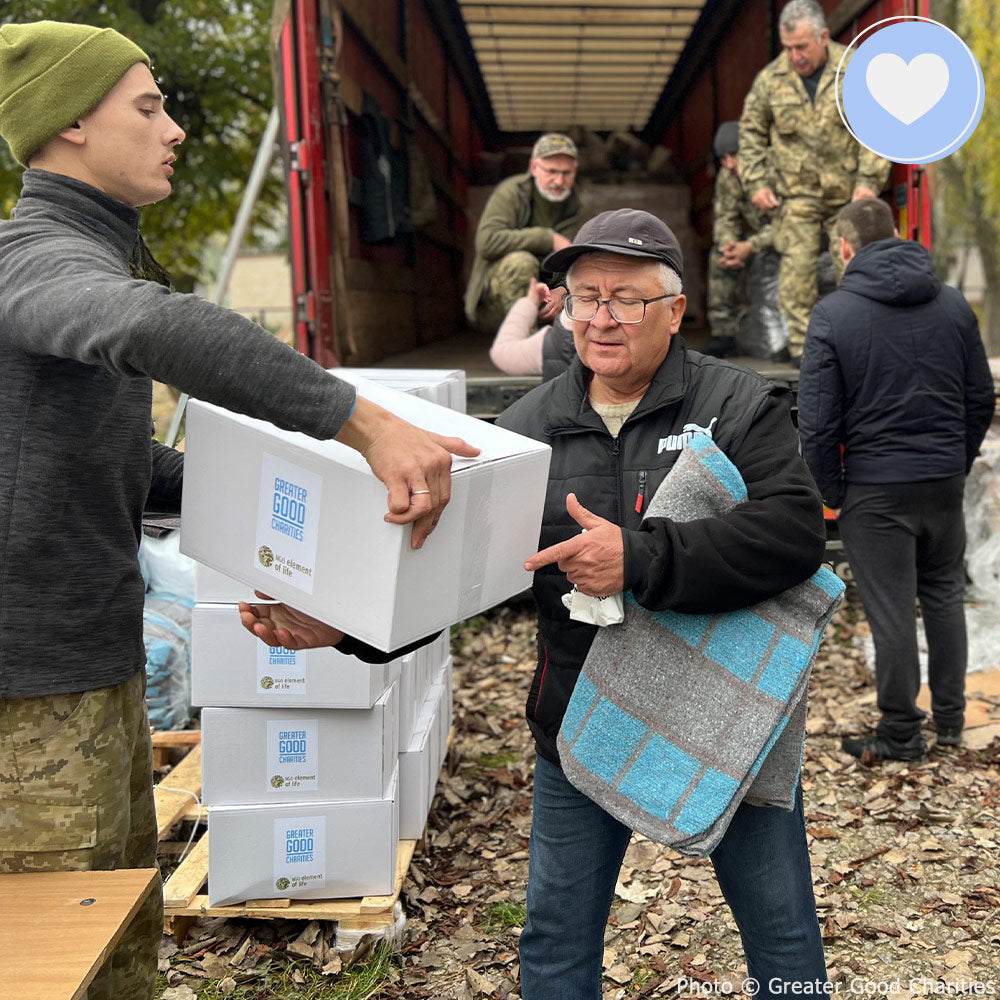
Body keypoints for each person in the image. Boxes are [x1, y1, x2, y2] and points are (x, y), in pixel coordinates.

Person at [0, 21, 477, 1000]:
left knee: (120, 936)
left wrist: (294, 530)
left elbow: (122, 467)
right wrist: (364, 427)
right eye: (148, 107)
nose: (172, 129)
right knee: (65, 961)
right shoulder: (36, 259)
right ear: (71, 125)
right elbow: (157, 328)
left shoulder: (81, 257)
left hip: (85, 671)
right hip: (33, 692)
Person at [498, 209, 828, 998]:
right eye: (585, 297)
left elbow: (794, 533)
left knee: (781, 930)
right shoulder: (526, 429)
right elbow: (453, 575)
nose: (601, 318)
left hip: (724, 720)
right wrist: (344, 630)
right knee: (555, 936)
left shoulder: (736, 405)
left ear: (675, 311)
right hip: (579, 718)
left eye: (626, 299)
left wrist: (643, 557)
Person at [797, 199, 996, 763]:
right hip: (941, 481)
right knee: (944, 597)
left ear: (845, 247)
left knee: (892, 611)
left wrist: (834, 491)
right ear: (897, 234)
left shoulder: (833, 314)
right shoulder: (953, 305)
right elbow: (981, 397)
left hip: (875, 487)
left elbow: (817, 423)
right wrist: (955, 462)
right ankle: (951, 721)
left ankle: (902, 733)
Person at [738, 0, 891, 361]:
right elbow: (750, 133)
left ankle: (861, 347)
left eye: (802, 47)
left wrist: (869, 180)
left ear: (823, 37)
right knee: (797, 276)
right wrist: (756, 183)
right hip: (797, 195)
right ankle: (807, 353)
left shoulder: (854, 70)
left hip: (848, 193)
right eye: (788, 48)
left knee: (856, 270)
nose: (794, 56)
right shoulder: (770, 80)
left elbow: (878, 126)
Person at [464, 132, 581, 333]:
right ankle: (524, 344)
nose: (559, 181)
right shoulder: (512, 193)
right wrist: (548, 239)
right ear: (534, 167)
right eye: (552, 171)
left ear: (575, 171)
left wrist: (563, 289)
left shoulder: (578, 207)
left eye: (566, 173)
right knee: (521, 263)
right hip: (497, 298)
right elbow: (487, 242)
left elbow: (581, 262)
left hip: (552, 299)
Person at [702, 120, 777, 359]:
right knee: (719, 256)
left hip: (791, 238)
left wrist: (750, 246)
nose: (730, 164)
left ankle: (789, 339)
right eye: (723, 159)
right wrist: (729, 245)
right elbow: (725, 216)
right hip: (758, 240)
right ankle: (724, 334)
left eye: (735, 156)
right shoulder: (728, 177)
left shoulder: (778, 170)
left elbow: (793, 225)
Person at [488, 276, 576, 380]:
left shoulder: (564, 339)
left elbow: (503, 353)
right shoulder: (567, 337)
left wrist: (530, 302)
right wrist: (563, 288)